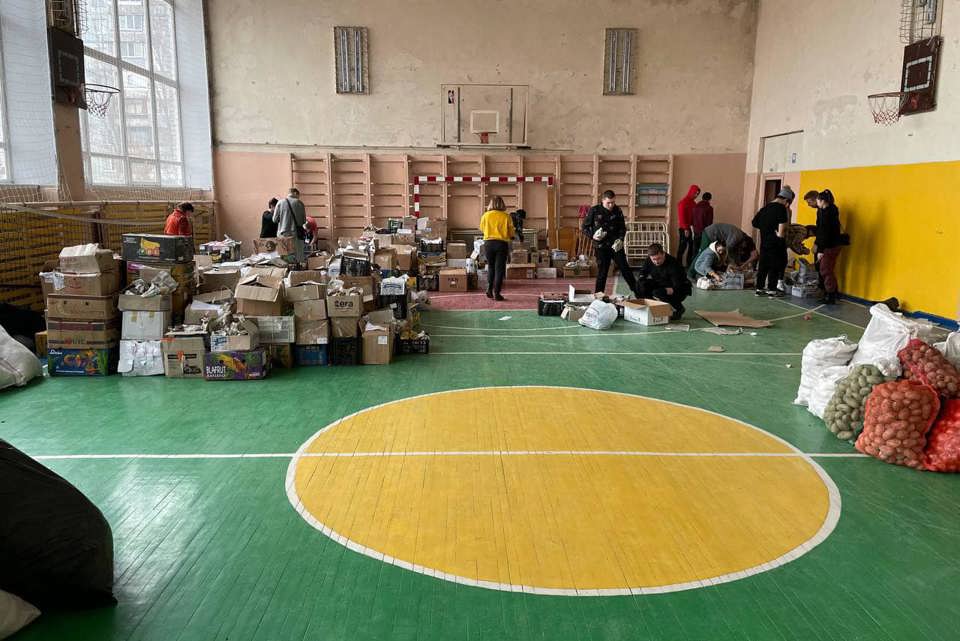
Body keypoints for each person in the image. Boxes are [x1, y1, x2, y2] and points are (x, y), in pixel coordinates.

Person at [582, 190, 639, 296]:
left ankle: (639, 293)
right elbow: (584, 227)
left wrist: (621, 239)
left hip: (615, 245)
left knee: (625, 269)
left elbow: (622, 227)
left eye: (613, 202)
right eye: (609, 202)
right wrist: (593, 236)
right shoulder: (594, 210)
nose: (611, 205)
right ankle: (599, 297)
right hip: (601, 246)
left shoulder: (617, 210)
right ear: (603, 200)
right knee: (602, 273)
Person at [751, 186, 794, 297]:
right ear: (786, 200)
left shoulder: (765, 208)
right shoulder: (781, 209)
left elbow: (754, 223)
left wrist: (766, 228)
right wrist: (777, 234)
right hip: (776, 242)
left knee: (763, 265)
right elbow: (782, 229)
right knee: (774, 266)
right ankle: (771, 290)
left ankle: (759, 289)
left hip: (764, 241)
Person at [637, 243, 691, 321]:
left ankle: (679, 309)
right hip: (661, 282)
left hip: (679, 287)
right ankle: (651, 307)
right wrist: (641, 279)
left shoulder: (673, 264)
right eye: (654, 259)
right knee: (640, 284)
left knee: (658, 292)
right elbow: (643, 272)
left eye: (658, 258)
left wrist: (669, 290)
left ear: (663, 254)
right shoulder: (649, 260)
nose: (656, 262)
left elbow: (678, 284)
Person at [479, 196, 515, 301]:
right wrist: (510, 236)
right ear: (502, 204)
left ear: (491, 204)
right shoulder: (506, 216)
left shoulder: (485, 215)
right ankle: (497, 293)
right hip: (501, 244)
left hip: (488, 243)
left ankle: (489, 288)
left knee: (490, 267)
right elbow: (511, 232)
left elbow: (482, 229)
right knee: (499, 269)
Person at [814, 189, 843, 304]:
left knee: (825, 270)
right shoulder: (828, 211)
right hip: (832, 244)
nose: (816, 204)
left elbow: (824, 232)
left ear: (822, 201)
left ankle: (830, 295)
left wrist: (821, 249)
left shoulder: (827, 214)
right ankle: (832, 292)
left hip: (830, 246)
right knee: (827, 269)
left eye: (817, 201)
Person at [272, 188, 308, 263]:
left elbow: (274, 220)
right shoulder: (299, 203)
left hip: (283, 235)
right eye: (298, 195)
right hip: (296, 235)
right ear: (295, 193)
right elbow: (303, 221)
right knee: (298, 258)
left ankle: (285, 273)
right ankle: (297, 273)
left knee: (284, 258)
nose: (298, 197)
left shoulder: (280, 202)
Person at [676, 184, 700, 267]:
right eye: (695, 193)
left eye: (697, 194)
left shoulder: (693, 203)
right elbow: (681, 217)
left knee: (691, 246)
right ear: (691, 192)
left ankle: (689, 264)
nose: (696, 195)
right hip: (684, 228)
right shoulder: (683, 202)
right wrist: (686, 228)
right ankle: (678, 265)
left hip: (691, 228)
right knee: (682, 247)